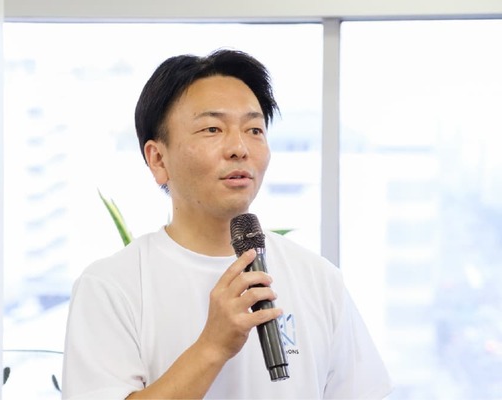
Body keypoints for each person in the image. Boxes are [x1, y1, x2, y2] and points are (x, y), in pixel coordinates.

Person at [61, 49, 393, 399]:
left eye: (254, 130)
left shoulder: (319, 278)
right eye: (212, 129)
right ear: (158, 159)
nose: (239, 148)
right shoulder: (111, 286)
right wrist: (212, 347)